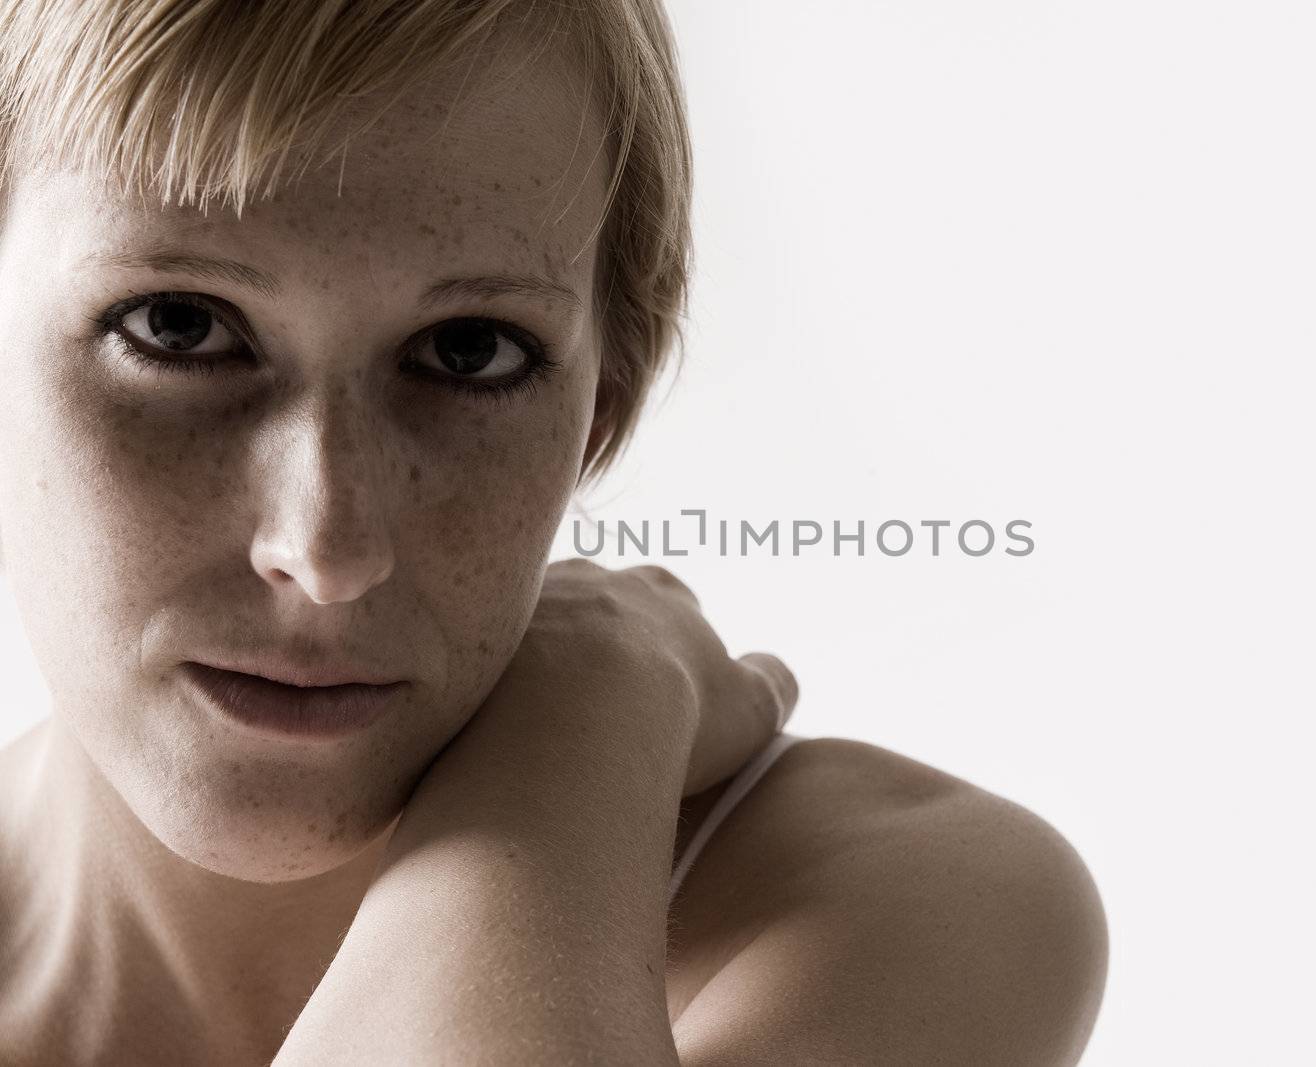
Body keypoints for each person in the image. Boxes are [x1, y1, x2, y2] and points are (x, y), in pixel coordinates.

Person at [0, 1, 1108, 1062]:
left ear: (599, 413)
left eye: (470, 351)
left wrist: (580, 717)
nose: (326, 548)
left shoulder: (884, 906)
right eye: (177, 327)